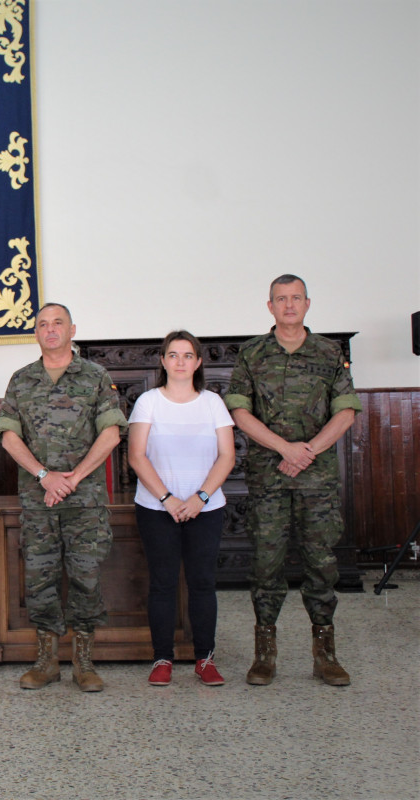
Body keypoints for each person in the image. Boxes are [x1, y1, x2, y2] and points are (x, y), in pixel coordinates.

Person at [224, 275, 361, 687]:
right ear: (269, 307)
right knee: (266, 566)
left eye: (295, 298)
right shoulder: (251, 354)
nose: (288, 305)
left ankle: (326, 655)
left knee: (322, 566)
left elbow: (346, 411)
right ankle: (264, 655)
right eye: (280, 299)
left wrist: (309, 450)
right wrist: (285, 448)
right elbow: (239, 412)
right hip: (269, 478)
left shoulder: (328, 352)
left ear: (307, 304)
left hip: (316, 481)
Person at [0, 303, 126, 692]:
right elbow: (8, 435)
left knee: (86, 576)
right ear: (35, 333)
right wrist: (44, 476)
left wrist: (74, 477)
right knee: (40, 578)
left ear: (72, 330)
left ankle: (83, 662)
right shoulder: (22, 380)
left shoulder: (96, 377)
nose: (50, 330)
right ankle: (46, 660)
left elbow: (111, 433)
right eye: (43, 325)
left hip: (84, 501)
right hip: (39, 500)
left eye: (58, 324)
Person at [127, 331, 235, 687]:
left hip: (205, 508)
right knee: (163, 583)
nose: (180, 361)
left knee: (202, 583)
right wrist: (168, 499)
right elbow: (137, 456)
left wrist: (199, 498)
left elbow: (226, 456)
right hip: (157, 508)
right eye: (173, 355)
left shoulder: (212, 403)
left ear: (198, 362)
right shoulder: (148, 402)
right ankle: (163, 659)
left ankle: (205, 659)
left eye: (188, 355)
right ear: (162, 361)